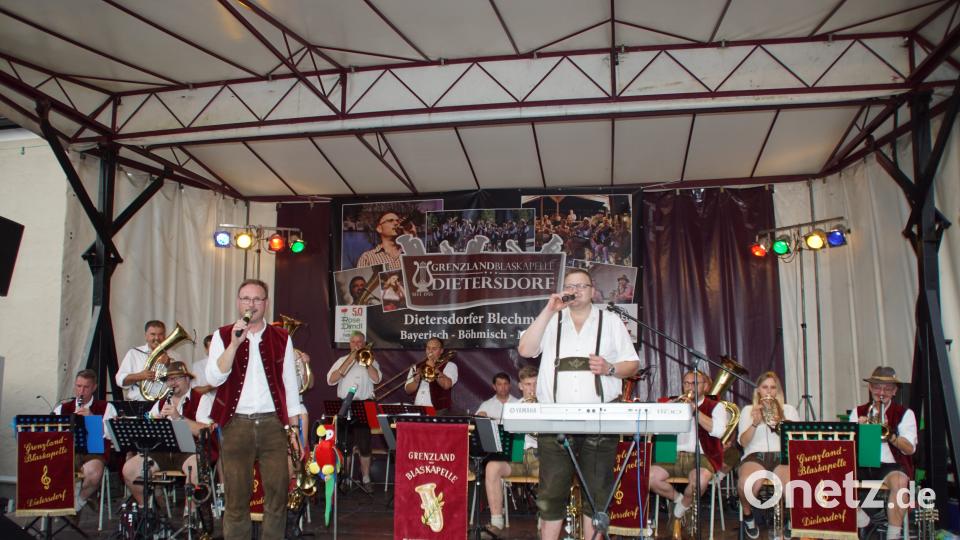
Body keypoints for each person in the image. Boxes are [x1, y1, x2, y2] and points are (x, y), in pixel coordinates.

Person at [517, 268, 640, 540]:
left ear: (592, 289)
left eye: (582, 286)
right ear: (563, 289)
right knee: (551, 495)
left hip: (599, 420)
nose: (576, 290)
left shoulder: (610, 321)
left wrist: (609, 369)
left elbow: (632, 365)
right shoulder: (551, 320)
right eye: (571, 285)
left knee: (597, 495)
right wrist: (549, 310)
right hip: (555, 420)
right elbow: (525, 350)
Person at [205, 279, 302, 540]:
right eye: (246, 298)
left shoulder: (282, 337)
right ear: (238, 303)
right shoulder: (222, 335)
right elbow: (214, 379)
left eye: (257, 299)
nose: (252, 304)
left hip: (273, 424)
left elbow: (290, 387)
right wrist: (235, 344)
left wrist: (293, 430)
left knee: (277, 497)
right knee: (236, 499)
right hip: (236, 425)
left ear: (266, 304)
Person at [121, 361, 215, 505]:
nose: (172, 383)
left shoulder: (201, 399)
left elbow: (205, 431)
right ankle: (145, 508)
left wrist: (179, 417)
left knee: (196, 470)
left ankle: (190, 517)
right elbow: (147, 419)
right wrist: (153, 421)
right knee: (130, 469)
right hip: (162, 451)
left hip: (189, 451)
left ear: (187, 379)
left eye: (176, 378)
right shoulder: (162, 403)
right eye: (169, 379)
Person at [648, 370, 728, 531]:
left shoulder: (716, 407)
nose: (690, 387)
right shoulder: (672, 403)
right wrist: (672, 412)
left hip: (702, 455)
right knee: (648, 477)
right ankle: (680, 501)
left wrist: (695, 412)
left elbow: (719, 432)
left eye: (695, 383)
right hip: (672, 455)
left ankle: (678, 513)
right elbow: (656, 431)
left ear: (705, 386)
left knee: (699, 481)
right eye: (686, 383)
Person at [855, 366, 916, 539]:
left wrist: (889, 434)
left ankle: (893, 535)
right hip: (863, 465)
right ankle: (863, 521)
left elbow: (910, 448)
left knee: (900, 481)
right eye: (877, 387)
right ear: (870, 388)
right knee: (828, 473)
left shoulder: (905, 414)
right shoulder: (858, 412)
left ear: (895, 391)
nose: (881, 392)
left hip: (891, 466)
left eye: (887, 388)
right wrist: (859, 430)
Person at [737, 371, 799, 539]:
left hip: (782, 454)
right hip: (756, 456)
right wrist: (755, 424)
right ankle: (748, 515)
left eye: (773, 388)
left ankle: (792, 521)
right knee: (747, 485)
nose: (769, 392)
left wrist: (782, 420)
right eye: (765, 387)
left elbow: (797, 440)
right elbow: (742, 443)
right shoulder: (748, 410)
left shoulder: (789, 410)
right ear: (758, 390)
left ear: (777, 391)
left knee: (792, 486)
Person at [484, 365, 539, 535]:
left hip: (540, 455)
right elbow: (508, 438)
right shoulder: (513, 407)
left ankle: (544, 522)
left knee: (551, 470)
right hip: (518, 454)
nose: (532, 388)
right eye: (528, 384)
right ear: (521, 386)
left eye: (535, 384)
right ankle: (497, 521)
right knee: (492, 467)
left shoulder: (547, 404)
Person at [54, 369, 118, 512]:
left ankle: (77, 504)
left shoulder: (107, 407)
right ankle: (74, 500)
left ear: (94, 387)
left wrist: (92, 418)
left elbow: (111, 435)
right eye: (78, 386)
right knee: (51, 469)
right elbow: (54, 435)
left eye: (86, 387)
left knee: (93, 472)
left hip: (94, 452)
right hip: (67, 451)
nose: (81, 391)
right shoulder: (62, 408)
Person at [326, 331, 383, 491]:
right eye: (354, 342)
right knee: (345, 445)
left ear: (364, 344)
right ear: (349, 344)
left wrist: (367, 363)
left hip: (365, 404)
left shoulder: (371, 360)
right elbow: (331, 380)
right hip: (345, 404)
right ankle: (345, 479)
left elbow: (377, 379)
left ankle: (365, 478)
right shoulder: (341, 360)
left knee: (365, 444)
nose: (357, 345)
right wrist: (351, 359)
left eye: (360, 342)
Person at [116, 320, 177, 401]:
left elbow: (180, 382)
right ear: (146, 336)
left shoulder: (174, 356)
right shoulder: (134, 353)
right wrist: (140, 376)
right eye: (153, 334)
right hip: (138, 403)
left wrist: (168, 366)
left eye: (160, 334)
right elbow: (120, 380)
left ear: (165, 336)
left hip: (164, 404)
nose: (157, 338)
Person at [404, 337, 457, 414]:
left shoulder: (450, 365)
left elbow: (447, 385)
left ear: (441, 351)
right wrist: (416, 381)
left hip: (439, 411)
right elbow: (408, 390)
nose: (430, 351)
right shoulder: (416, 366)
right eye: (428, 348)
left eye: (434, 349)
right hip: (418, 410)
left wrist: (434, 369)